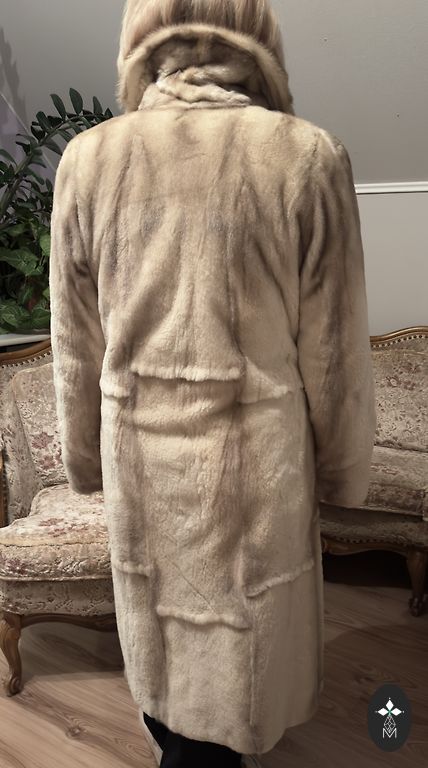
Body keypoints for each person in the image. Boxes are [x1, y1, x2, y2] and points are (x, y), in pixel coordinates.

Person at [48, 0, 377, 766]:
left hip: (144, 467)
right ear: (258, 32)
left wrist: (85, 459)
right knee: (242, 660)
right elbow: (334, 353)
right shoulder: (306, 156)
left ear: (140, 34)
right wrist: (341, 472)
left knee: (165, 656)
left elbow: (75, 343)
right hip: (257, 473)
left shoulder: (88, 160)